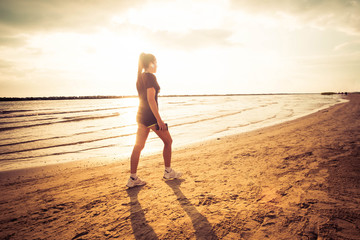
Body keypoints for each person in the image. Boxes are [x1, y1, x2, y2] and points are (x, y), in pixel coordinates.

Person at [127, 53, 182, 188]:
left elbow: (145, 99)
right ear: (150, 63)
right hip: (151, 117)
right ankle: (168, 171)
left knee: (138, 147)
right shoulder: (150, 77)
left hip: (141, 115)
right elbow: (151, 99)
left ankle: (133, 178)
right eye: (155, 62)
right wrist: (159, 120)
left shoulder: (140, 77)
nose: (157, 65)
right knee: (168, 141)